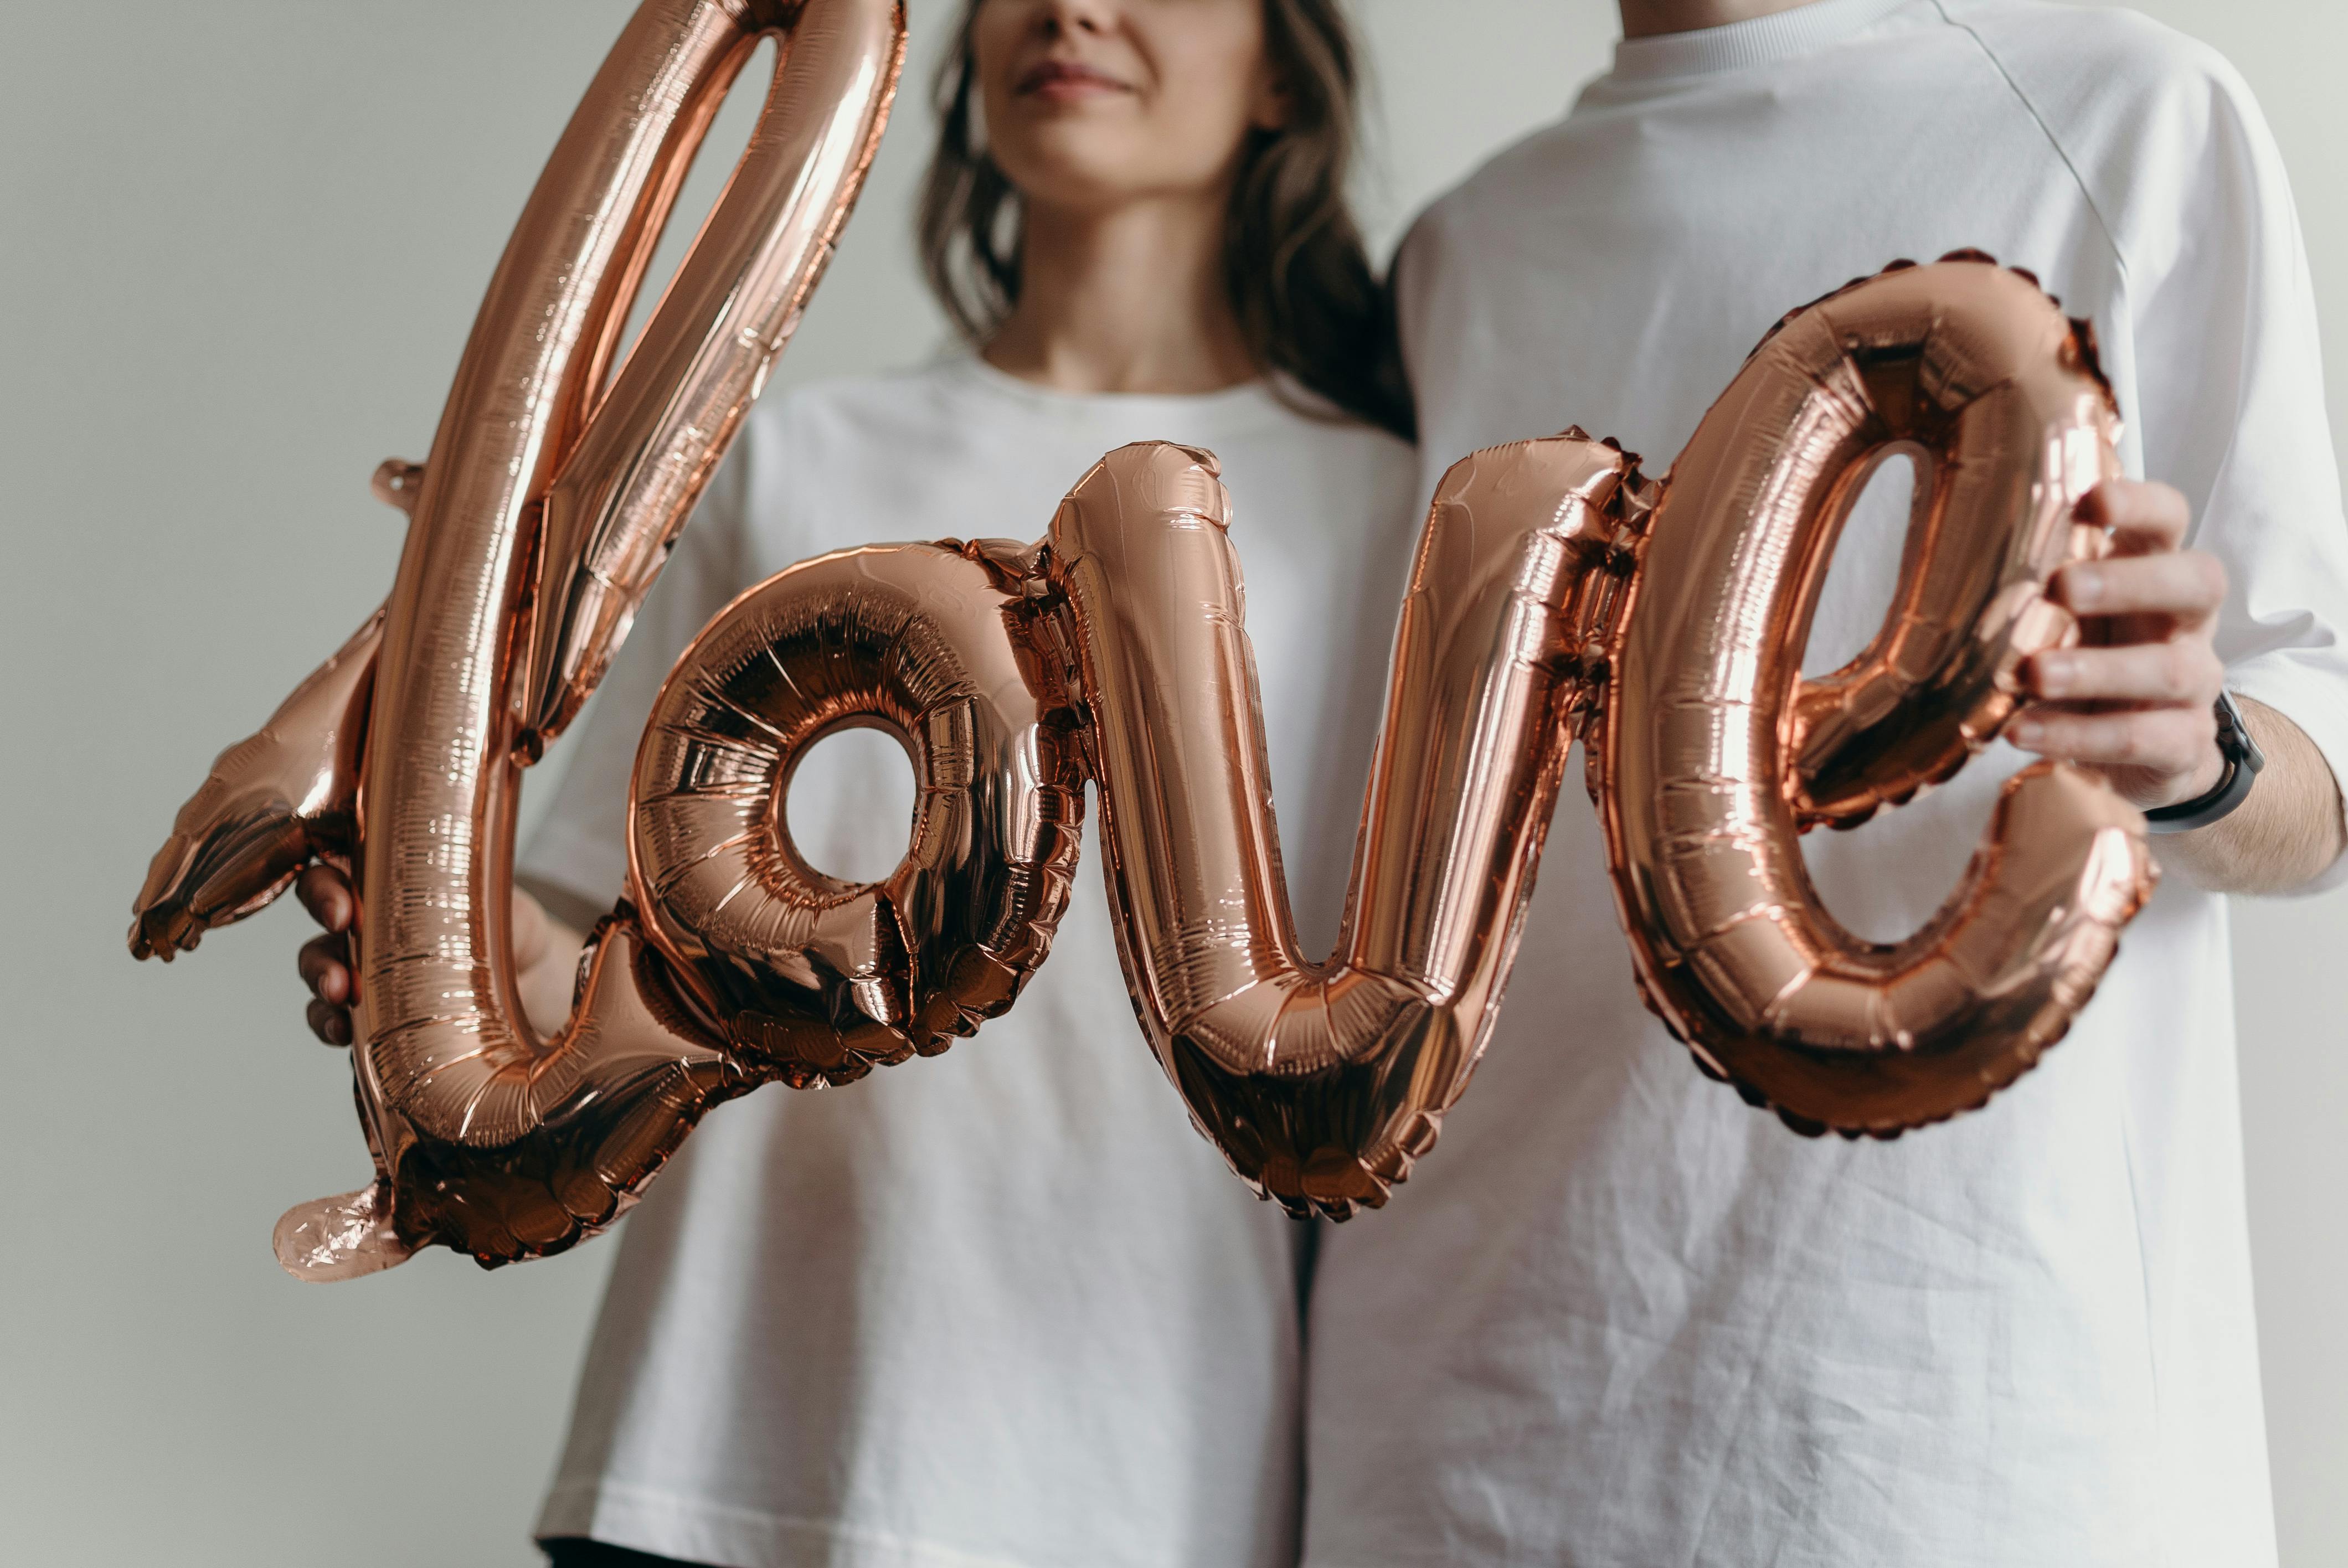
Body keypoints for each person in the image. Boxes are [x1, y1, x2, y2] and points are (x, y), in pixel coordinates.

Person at [295, 2, 1417, 1565]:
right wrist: (433, 951)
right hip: (714, 1449)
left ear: (1288, 62)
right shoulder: (796, 458)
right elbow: (607, 956)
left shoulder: (1378, 506)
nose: (1071, 8)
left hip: (1141, 1477)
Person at [1299, 1, 2348, 1564]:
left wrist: (2207, 757)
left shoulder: (2133, 117)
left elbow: (2320, 779)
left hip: (1946, 1425)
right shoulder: (1464, 249)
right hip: (1463, 1426)